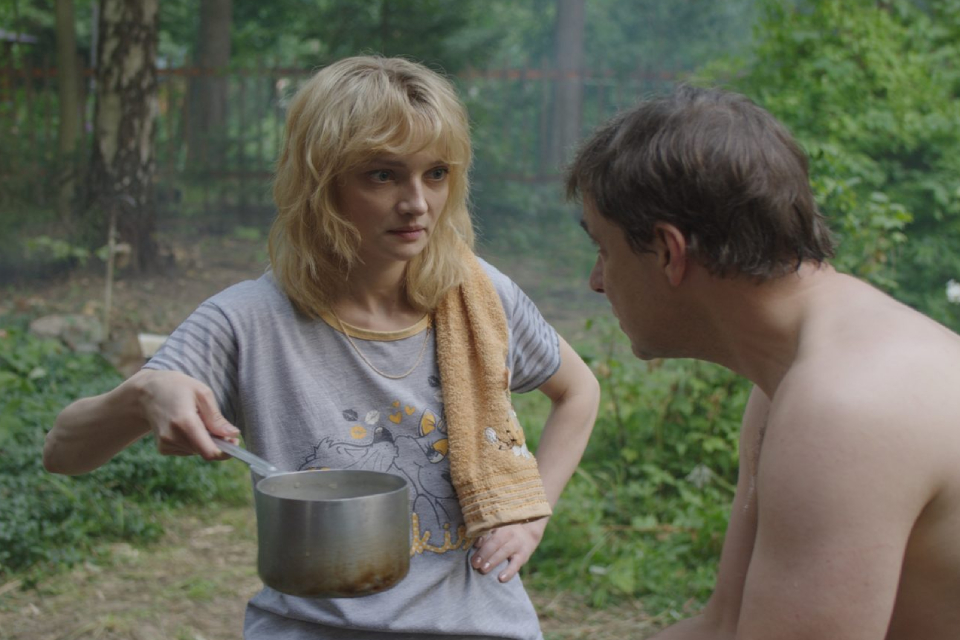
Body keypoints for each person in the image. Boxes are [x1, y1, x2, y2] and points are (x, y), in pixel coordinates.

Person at [44, 55, 600, 640]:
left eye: (436, 173)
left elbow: (579, 391)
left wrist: (531, 515)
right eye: (383, 175)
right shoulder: (247, 320)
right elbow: (63, 452)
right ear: (320, 182)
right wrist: (144, 394)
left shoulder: (481, 296)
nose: (417, 203)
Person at [567, 85, 960, 640]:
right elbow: (725, 625)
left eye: (604, 250)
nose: (596, 281)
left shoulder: (845, 406)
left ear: (669, 252)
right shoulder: (793, 377)